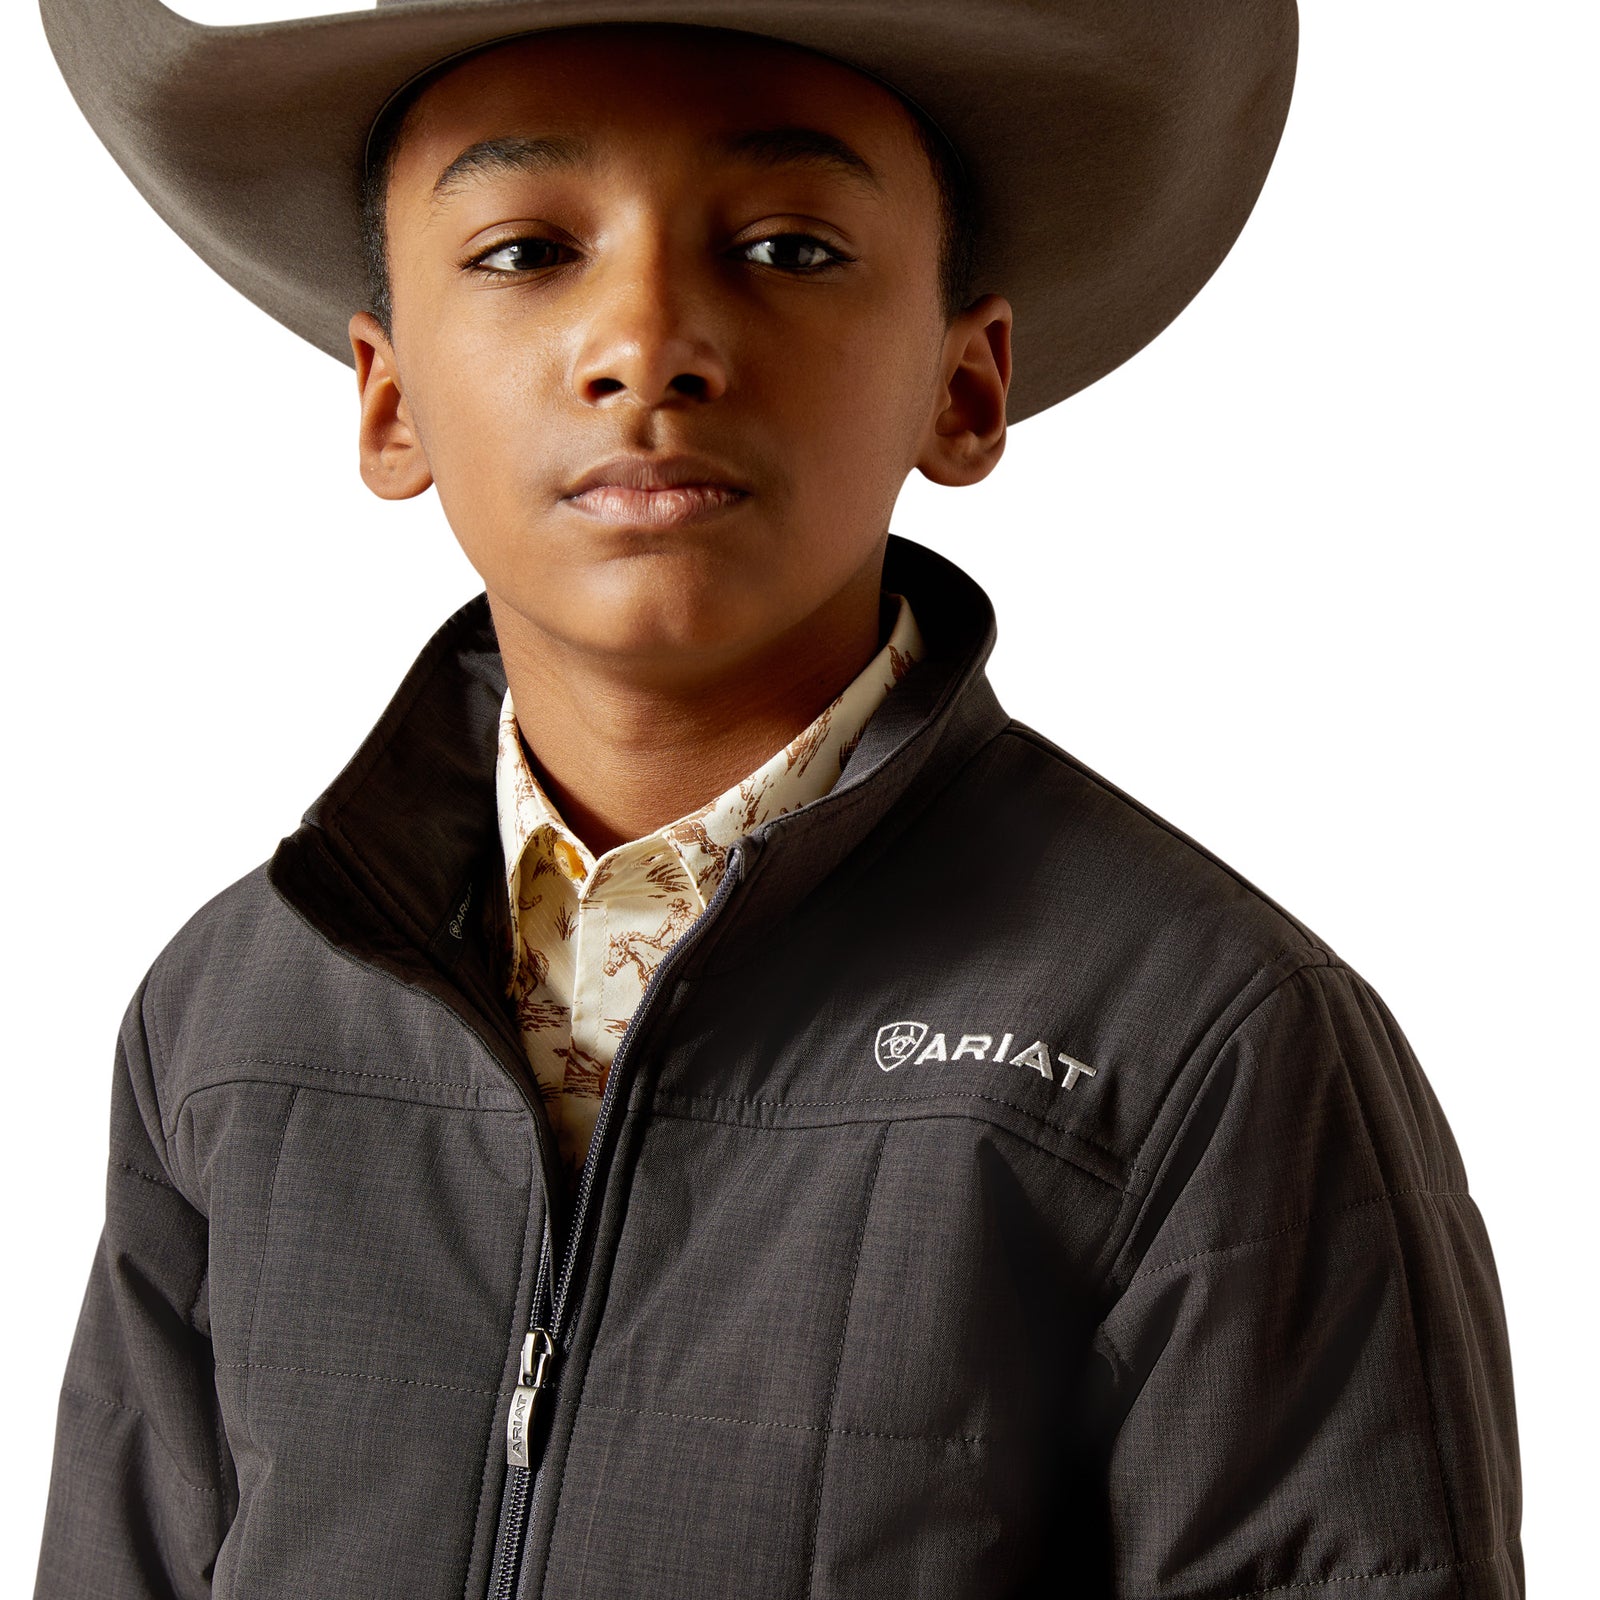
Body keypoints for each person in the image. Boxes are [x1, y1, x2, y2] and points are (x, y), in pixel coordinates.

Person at [33, 3, 1524, 1597]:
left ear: (964, 384)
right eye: (529, 251)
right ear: (389, 402)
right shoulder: (233, 1017)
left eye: (792, 249)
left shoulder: (1201, 1043)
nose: (648, 340)